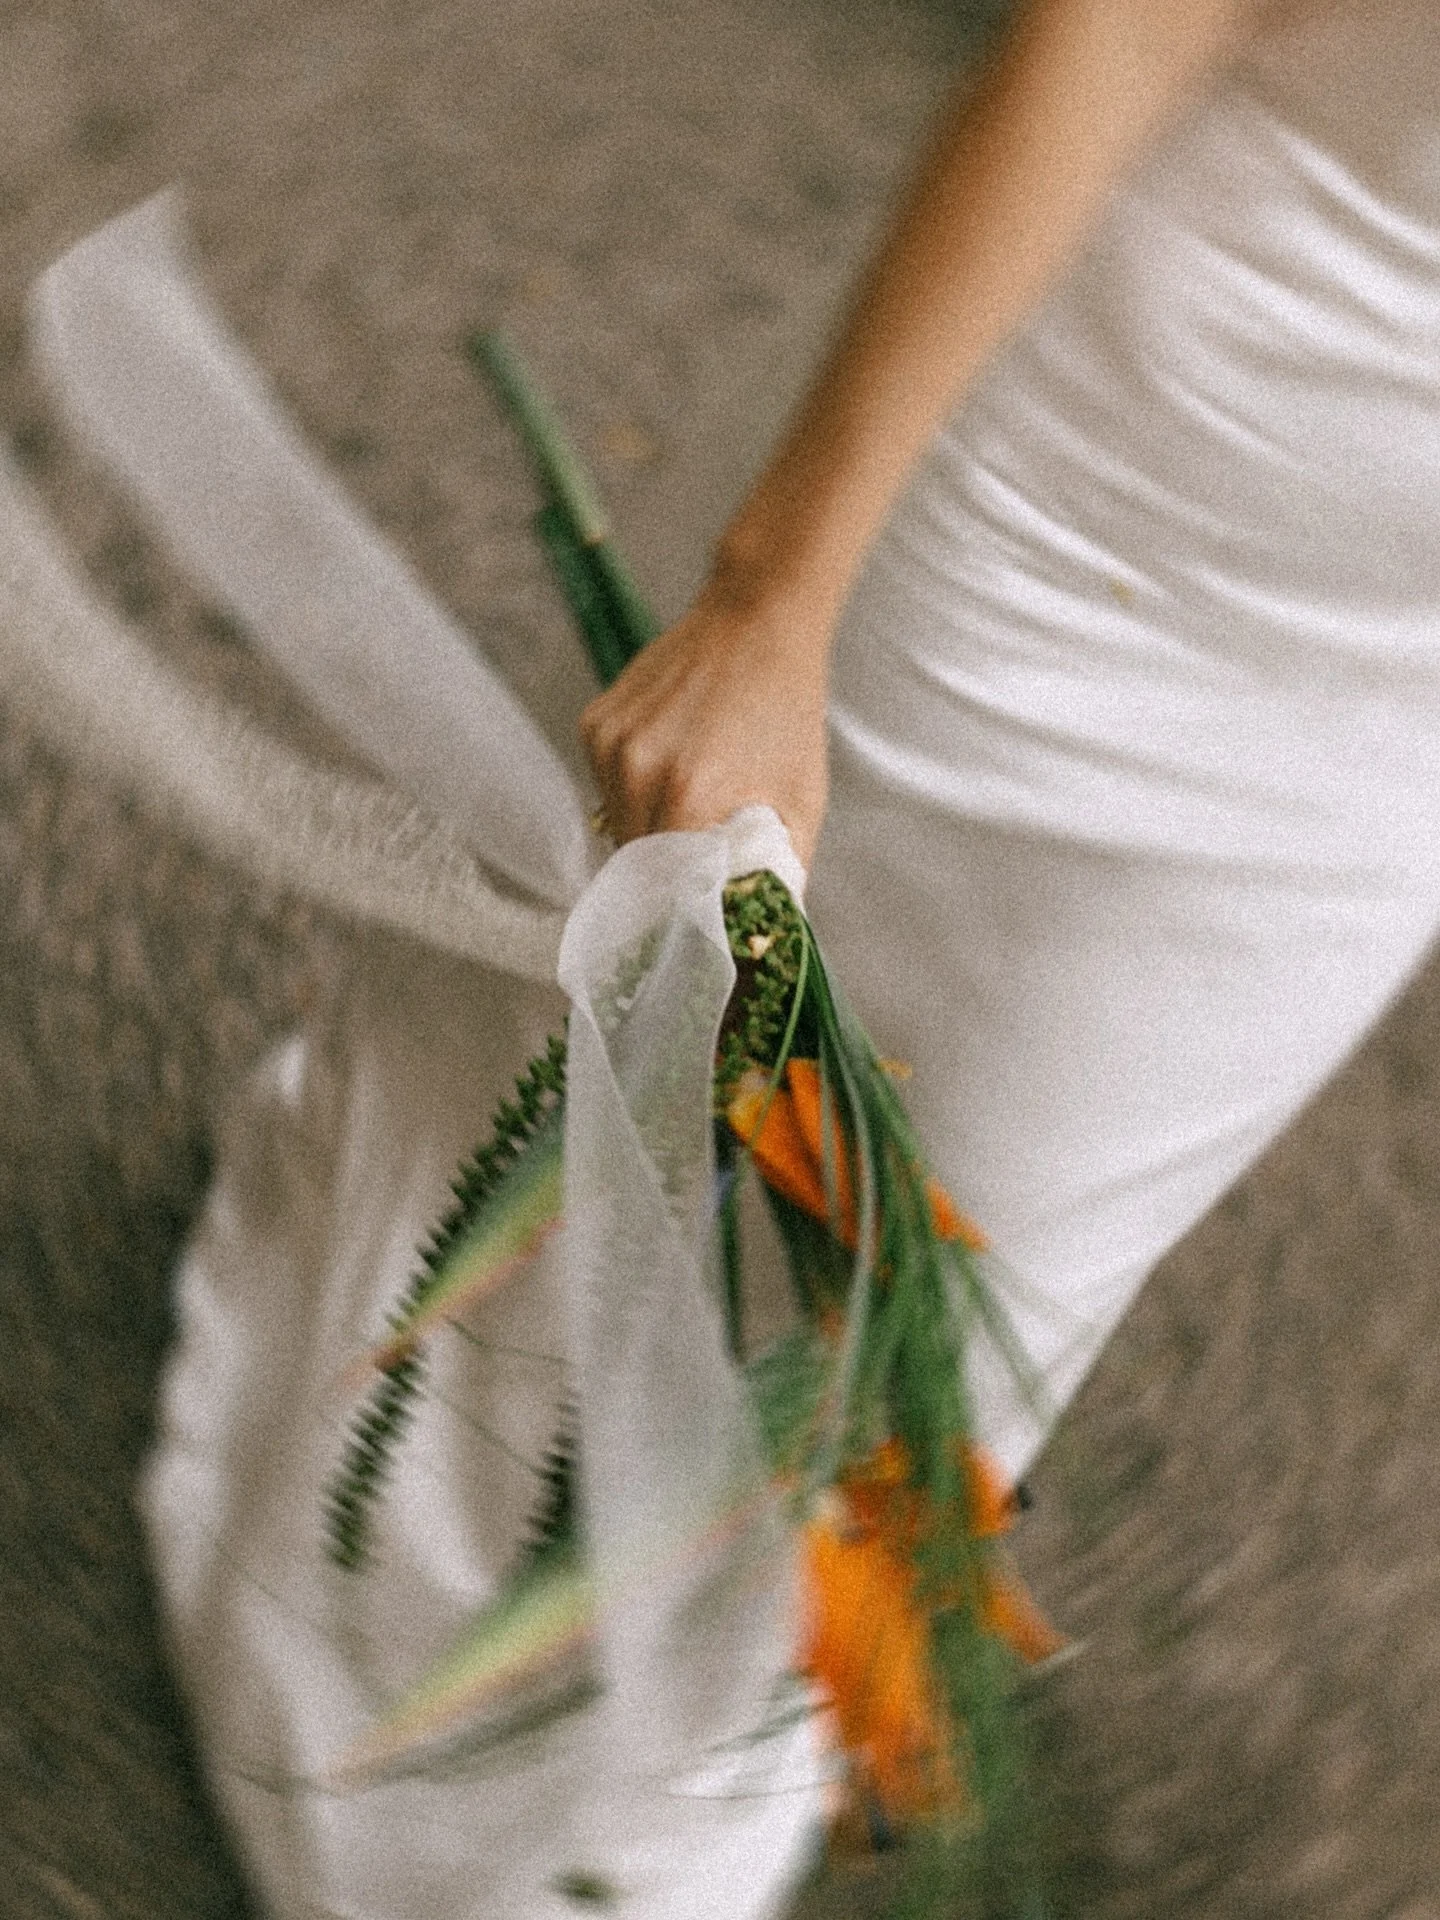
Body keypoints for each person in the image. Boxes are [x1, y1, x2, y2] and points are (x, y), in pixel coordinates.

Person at [582, 0, 1440, 1478]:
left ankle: (716, 1617)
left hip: (1373, 750)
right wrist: (773, 599)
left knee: (954, 1326)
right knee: (612, 1074)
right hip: (1071, 518)